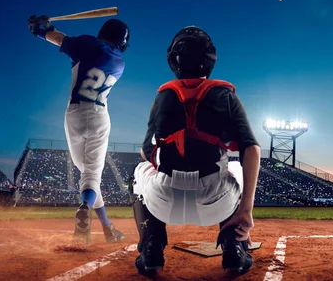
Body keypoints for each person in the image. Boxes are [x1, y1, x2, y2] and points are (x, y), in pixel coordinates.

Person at [130, 26, 261, 275]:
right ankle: (235, 249)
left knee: (138, 170)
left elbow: (147, 152)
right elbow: (251, 150)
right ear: (209, 60)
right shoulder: (225, 94)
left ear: (173, 60)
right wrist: (246, 210)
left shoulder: (163, 96)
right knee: (236, 165)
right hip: (216, 201)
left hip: (163, 200)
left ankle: (151, 248)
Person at [28, 14, 129, 244]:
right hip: (99, 116)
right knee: (91, 176)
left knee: (87, 175)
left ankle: (106, 226)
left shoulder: (87, 43)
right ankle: (91, 212)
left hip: (73, 113)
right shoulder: (119, 63)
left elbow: (58, 39)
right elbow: (92, 49)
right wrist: (48, 29)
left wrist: (40, 30)